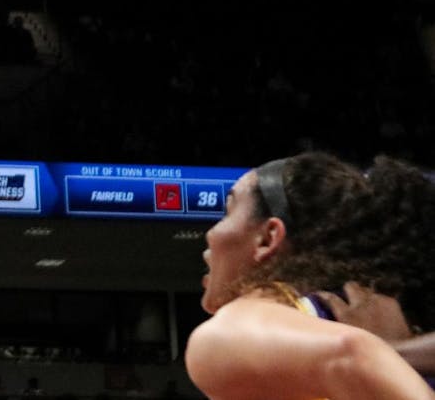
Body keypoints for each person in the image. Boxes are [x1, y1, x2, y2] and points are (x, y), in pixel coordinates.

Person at [183, 151, 435, 399]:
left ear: (268, 238)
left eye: (228, 211)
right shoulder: (363, 324)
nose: (210, 234)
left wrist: (385, 353)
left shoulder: (232, 329)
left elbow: (352, 355)